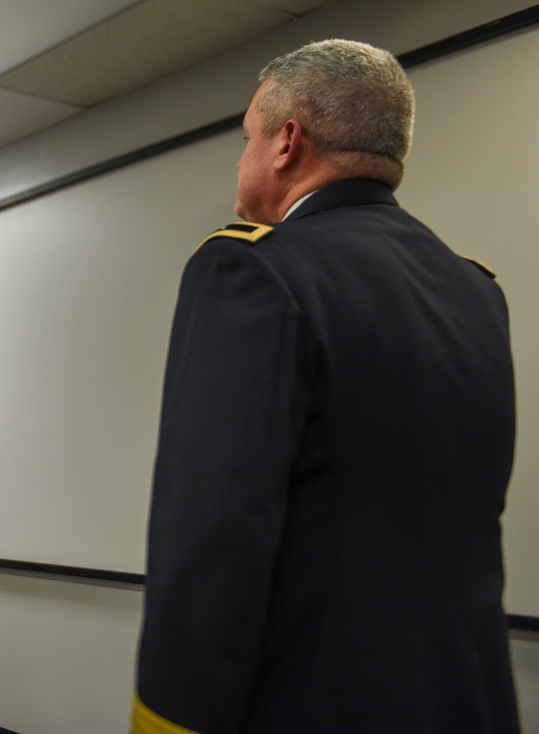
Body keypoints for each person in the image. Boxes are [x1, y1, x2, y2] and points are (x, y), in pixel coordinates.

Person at [133, 40, 519, 733]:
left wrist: (168, 721)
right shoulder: (475, 290)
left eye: (247, 137)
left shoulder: (252, 269)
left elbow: (215, 538)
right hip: (468, 701)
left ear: (286, 143)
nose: (243, 158)